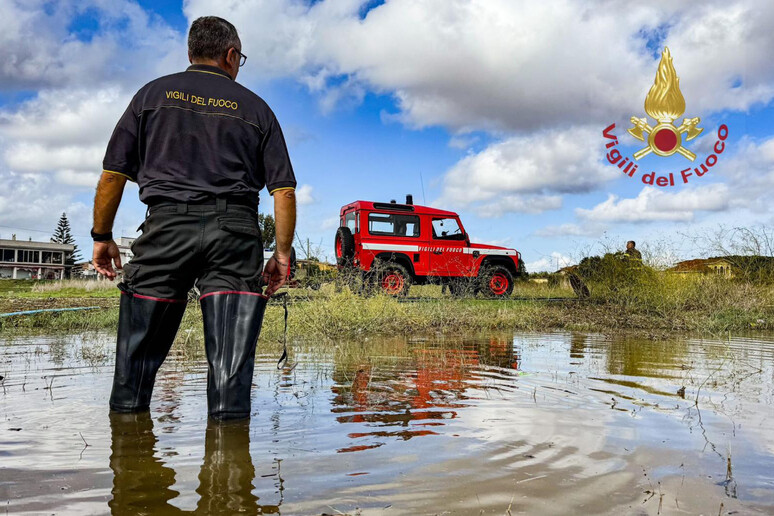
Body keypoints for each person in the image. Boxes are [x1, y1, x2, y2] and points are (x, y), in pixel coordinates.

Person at [92, 16, 297, 420]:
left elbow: (114, 173)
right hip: (234, 235)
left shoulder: (151, 96)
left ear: (191, 53)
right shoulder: (257, 108)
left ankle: (133, 468)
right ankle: (230, 473)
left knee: (133, 370)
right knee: (230, 377)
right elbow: (284, 191)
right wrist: (283, 255)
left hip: (166, 229)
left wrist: (102, 235)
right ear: (231, 55)